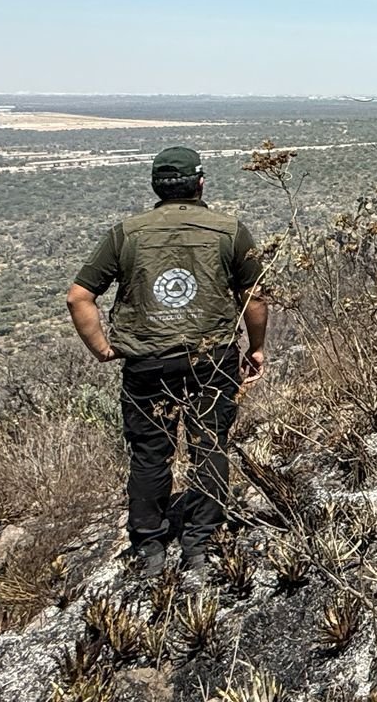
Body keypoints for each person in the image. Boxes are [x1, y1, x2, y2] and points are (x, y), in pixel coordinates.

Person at [65, 147, 267, 575]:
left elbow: (79, 296)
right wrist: (256, 346)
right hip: (210, 360)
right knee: (209, 445)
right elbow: (254, 298)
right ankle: (201, 544)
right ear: (201, 183)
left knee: (149, 454)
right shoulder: (229, 231)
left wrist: (103, 348)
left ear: (156, 186)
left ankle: (150, 547)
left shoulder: (127, 233)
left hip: (147, 364)